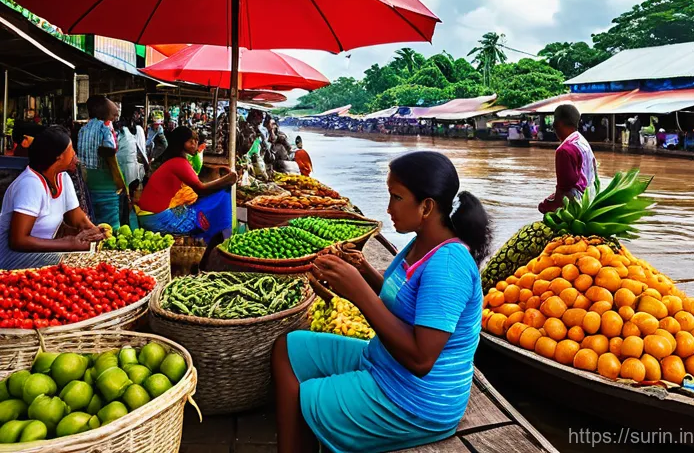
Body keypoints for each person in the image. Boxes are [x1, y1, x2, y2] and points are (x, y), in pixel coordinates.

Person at [272, 151, 492, 453]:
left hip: (418, 399)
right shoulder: (421, 242)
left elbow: (420, 359)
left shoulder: (449, 264)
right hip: (384, 361)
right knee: (290, 348)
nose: (388, 208)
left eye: (397, 198)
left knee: (304, 398)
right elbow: (402, 298)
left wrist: (358, 291)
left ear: (426, 206)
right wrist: (364, 270)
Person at [0, 126, 104, 270]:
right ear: (58, 156)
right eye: (71, 149)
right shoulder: (30, 184)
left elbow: (77, 218)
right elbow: (18, 240)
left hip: (40, 255)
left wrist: (95, 233)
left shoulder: (63, 177)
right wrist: (69, 244)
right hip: (12, 260)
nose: (75, 154)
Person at [137, 126, 237, 243]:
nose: (195, 144)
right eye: (191, 142)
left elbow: (196, 180)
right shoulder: (179, 163)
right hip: (157, 218)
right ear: (181, 143)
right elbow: (201, 189)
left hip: (148, 215)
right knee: (212, 207)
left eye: (196, 141)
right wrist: (229, 179)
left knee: (197, 208)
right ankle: (220, 237)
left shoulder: (173, 160)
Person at [539, 104, 597, 214]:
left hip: (576, 207)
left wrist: (546, 206)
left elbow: (565, 188)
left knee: (543, 207)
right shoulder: (582, 141)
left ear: (558, 123)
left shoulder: (564, 150)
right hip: (590, 199)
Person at [78, 95, 124, 229]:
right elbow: (110, 154)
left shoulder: (82, 130)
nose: (115, 117)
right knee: (111, 227)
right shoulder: (105, 128)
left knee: (94, 225)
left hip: (88, 185)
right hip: (106, 187)